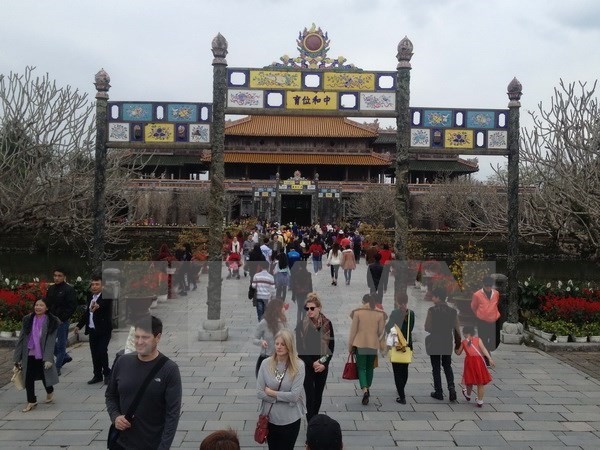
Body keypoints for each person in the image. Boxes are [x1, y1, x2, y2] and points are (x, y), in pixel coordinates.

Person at [106, 315, 182, 450]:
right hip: (121, 443)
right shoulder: (122, 361)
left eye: (145, 337)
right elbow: (111, 396)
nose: (139, 342)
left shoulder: (169, 369)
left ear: (158, 337)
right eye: (136, 336)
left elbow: (172, 414)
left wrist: (164, 447)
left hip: (151, 444)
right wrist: (115, 417)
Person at [256, 329, 306, 450]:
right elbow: (260, 393)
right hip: (270, 418)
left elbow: (294, 396)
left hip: (290, 419)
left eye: (283, 344)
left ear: (289, 346)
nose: (279, 347)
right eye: (277, 343)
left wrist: (272, 393)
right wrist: (285, 397)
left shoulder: (299, 365)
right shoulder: (265, 364)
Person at [13, 299, 61, 412]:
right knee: (28, 378)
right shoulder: (28, 319)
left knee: (45, 376)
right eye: (36, 305)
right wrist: (16, 358)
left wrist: (48, 358)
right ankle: (31, 401)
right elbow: (21, 339)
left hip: (43, 354)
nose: (38, 307)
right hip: (29, 353)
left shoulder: (52, 321)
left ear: (47, 308)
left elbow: (51, 341)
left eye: (41, 305)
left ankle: (49, 391)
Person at [296, 293, 335, 422]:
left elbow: (331, 347)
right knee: (310, 396)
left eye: (312, 308)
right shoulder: (301, 325)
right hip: (307, 366)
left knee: (318, 395)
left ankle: (314, 418)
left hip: (322, 366)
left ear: (319, 308)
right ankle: (311, 423)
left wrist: (323, 363)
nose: (309, 311)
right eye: (307, 309)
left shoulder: (327, 324)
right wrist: (313, 363)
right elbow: (300, 349)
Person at [348, 294, 386, 405]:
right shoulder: (379, 314)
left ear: (363, 301)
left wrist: (350, 347)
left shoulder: (358, 313)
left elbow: (353, 332)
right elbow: (380, 332)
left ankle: (364, 389)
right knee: (370, 367)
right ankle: (368, 387)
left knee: (361, 368)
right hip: (373, 344)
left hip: (360, 344)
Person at [74, 275, 113, 385]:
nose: (94, 286)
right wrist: (79, 325)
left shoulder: (107, 296)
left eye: (97, 284)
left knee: (102, 351)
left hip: (104, 330)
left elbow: (104, 304)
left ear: (103, 286)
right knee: (94, 353)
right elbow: (87, 313)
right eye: (92, 284)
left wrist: (98, 306)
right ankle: (97, 375)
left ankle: (107, 374)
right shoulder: (90, 297)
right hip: (92, 330)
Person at [424, 287, 461, 402]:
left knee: (436, 367)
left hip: (435, 341)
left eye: (433, 296)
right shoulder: (453, 312)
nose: (432, 298)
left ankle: (438, 392)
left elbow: (427, 327)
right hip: (447, 341)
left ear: (438, 297)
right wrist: (457, 344)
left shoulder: (432, 310)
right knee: (447, 365)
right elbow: (457, 330)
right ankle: (451, 388)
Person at [44, 268, 77, 376]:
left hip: (62, 322)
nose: (57, 278)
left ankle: (57, 368)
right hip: (51, 320)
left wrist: (62, 319)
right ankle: (65, 357)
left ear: (64, 277)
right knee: (49, 343)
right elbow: (47, 304)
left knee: (61, 345)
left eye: (59, 276)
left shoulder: (69, 289)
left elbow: (72, 306)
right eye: (55, 275)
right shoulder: (51, 288)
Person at [385, 291, 415, 404]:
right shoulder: (411, 313)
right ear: (406, 301)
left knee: (397, 371)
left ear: (398, 302)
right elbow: (410, 328)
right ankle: (402, 388)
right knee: (405, 369)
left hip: (396, 344)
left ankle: (401, 395)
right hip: (407, 344)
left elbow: (388, 327)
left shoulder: (395, 313)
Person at [455, 325, 495, 407]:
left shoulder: (464, 342)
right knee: (480, 382)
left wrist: (455, 348)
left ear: (465, 333)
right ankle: (480, 400)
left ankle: (468, 394)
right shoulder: (478, 340)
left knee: (469, 380)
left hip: (470, 363)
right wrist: (489, 358)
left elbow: (458, 353)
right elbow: (483, 349)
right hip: (479, 362)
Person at [253, 299, 288, 377]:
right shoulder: (264, 322)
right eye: (282, 307)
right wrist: (261, 342)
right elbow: (254, 339)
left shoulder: (284, 322)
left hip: (281, 359)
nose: (284, 309)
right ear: (277, 309)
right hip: (266, 357)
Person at [470, 276, 501, 354]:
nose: (488, 287)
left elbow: (496, 304)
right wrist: (479, 314)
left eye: (490, 285)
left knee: (496, 340)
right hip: (482, 321)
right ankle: (486, 357)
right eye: (486, 285)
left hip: (495, 320)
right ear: (483, 284)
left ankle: (488, 349)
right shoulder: (477, 295)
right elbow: (473, 307)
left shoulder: (496, 293)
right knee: (483, 339)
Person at [290, 261, 313, 325]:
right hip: (306, 293)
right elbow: (310, 285)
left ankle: (298, 323)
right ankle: (303, 323)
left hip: (298, 293)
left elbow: (294, 286)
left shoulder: (296, 274)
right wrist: (311, 294)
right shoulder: (308, 274)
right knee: (304, 309)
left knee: (299, 309)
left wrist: (293, 296)